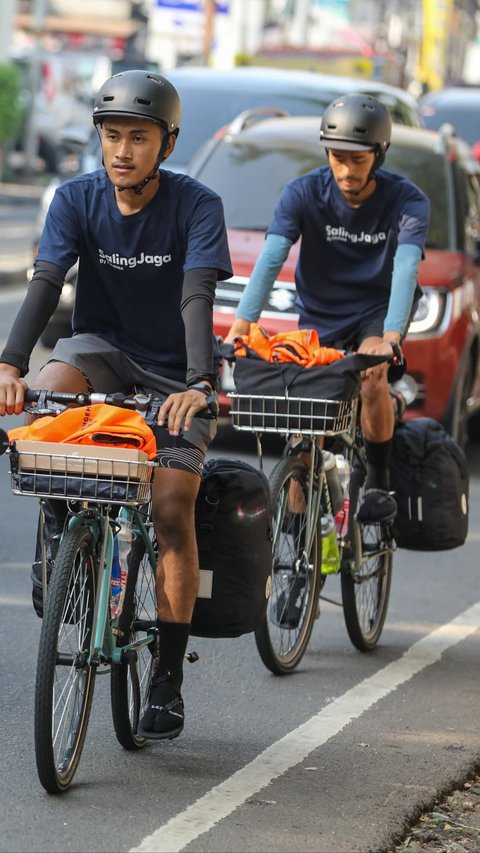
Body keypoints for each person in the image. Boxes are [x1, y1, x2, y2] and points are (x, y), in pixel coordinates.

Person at [0, 70, 232, 740]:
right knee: (50, 400)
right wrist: (11, 365)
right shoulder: (75, 199)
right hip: (100, 348)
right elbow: (48, 283)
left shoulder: (197, 205)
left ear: (167, 142)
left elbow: (196, 297)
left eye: (138, 136)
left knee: (169, 507)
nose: (122, 149)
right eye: (111, 135)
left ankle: (166, 672)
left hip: (174, 371)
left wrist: (196, 381)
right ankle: (59, 540)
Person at [226, 93, 430, 524]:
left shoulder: (407, 201)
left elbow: (407, 268)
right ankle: (299, 538)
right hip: (322, 312)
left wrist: (392, 336)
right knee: (307, 421)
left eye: (357, 160)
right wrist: (243, 325)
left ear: (379, 155)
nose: (345, 170)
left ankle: (376, 481)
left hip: (378, 309)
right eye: (337, 157)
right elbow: (271, 259)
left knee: (373, 375)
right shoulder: (302, 193)